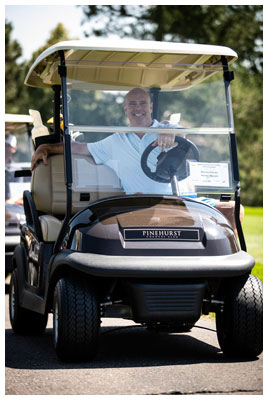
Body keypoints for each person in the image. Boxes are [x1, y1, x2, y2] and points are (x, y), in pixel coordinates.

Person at [31, 88, 244, 229]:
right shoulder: (115, 141)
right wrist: (48, 147)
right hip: (144, 202)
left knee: (236, 211)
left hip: (186, 200)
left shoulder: (167, 130)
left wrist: (172, 131)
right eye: (132, 104)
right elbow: (81, 148)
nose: (138, 108)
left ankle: (222, 271)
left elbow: (183, 133)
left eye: (143, 103)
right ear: (125, 109)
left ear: (151, 107)